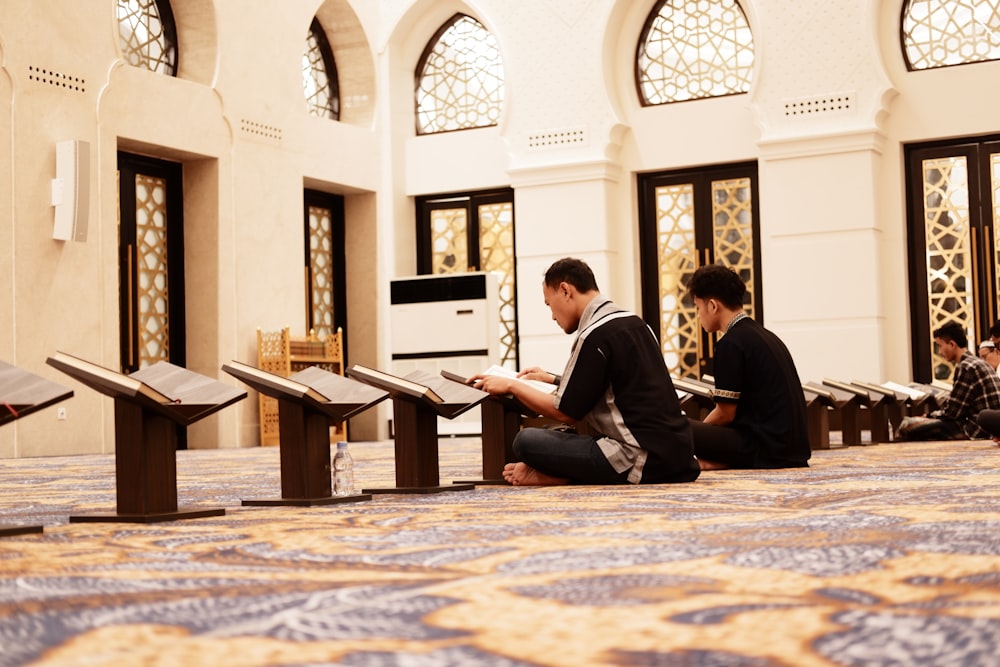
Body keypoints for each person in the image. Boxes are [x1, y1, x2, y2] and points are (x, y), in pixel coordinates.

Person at [469, 257, 700, 486]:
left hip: (639, 457)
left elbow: (566, 411)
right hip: (680, 454)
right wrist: (552, 378)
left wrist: (512, 385)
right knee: (563, 434)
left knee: (526, 441)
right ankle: (566, 473)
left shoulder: (594, 335)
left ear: (565, 290)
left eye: (549, 304)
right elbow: (612, 384)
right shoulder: (637, 323)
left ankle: (562, 476)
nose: (552, 316)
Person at [683, 264, 811, 470]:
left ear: (713, 306)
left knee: (677, 428)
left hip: (765, 449)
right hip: (791, 449)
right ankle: (717, 462)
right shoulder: (765, 335)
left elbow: (725, 413)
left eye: (698, 308)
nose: (698, 316)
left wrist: (690, 437)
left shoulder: (731, 343)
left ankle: (715, 461)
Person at [897, 323, 1000, 441]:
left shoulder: (966, 367)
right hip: (985, 426)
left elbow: (952, 413)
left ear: (952, 344)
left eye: (940, 346)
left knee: (908, 425)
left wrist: (929, 416)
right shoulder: (977, 362)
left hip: (975, 429)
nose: (939, 352)